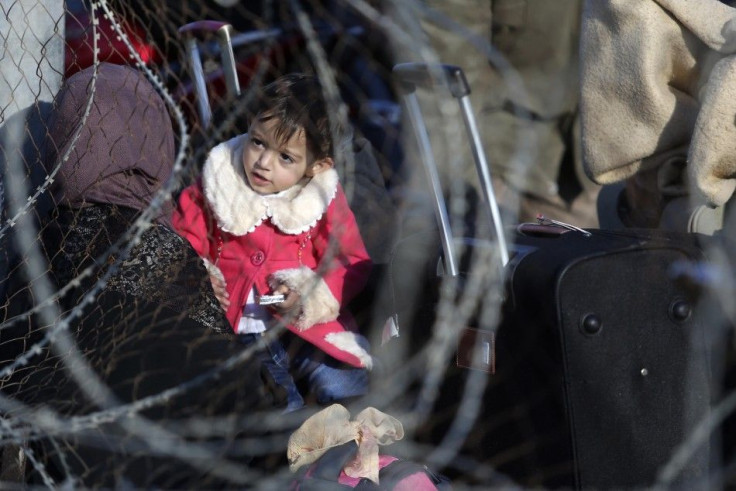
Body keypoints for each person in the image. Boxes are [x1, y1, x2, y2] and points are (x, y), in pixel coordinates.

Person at [0, 62, 276, 488]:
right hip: (206, 458)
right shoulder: (173, 251)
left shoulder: (46, 243)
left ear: (68, 142)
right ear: (155, 148)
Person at [173, 73, 374, 412]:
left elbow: (349, 259)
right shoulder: (219, 181)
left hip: (300, 326)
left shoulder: (322, 198)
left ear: (318, 165)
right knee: (277, 399)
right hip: (239, 328)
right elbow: (182, 237)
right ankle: (298, 447)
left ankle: (363, 443)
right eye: (258, 143)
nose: (263, 163)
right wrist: (197, 275)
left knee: (342, 381)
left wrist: (311, 294)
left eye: (286, 157)